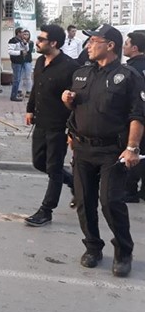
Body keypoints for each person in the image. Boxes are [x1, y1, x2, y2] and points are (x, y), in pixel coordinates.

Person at [62, 24, 144, 277]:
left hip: (113, 151)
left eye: (93, 41)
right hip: (82, 148)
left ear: (110, 45)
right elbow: (80, 109)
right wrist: (68, 104)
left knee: (110, 202)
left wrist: (132, 148)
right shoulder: (81, 74)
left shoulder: (128, 76)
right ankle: (92, 247)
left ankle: (123, 251)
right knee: (84, 202)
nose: (88, 46)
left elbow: (137, 115)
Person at [24, 25, 79, 227]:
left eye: (41, 39)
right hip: (40, 122)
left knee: (54, 168)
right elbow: (36, 88)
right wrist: (30, 109)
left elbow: (75, 101)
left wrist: (72, 130)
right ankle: (73, 182)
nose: (36, 42)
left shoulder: (70, 67)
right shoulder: (40, 61)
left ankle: (46, 211)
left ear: (53, 43)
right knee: (39, 163)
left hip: (59, 126)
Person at [123, 32, 145, 203]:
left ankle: (130, 190)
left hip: (136, 116)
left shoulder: (131, 70)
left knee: (134, 151)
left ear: (135, 48)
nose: (124, 47)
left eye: (127, 44)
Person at [7, 27, 26, 101]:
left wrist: (25, 43)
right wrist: (20, 52)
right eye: (22, 33)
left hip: (21, 61)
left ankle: (15, 94)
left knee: (18, 79)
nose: (24, 34)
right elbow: (10, 51)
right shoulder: (13, 40)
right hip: (16, 62)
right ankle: (13, 96)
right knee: (16, 80)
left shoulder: (21, 41)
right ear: (18, 33)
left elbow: (26, 49)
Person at [20, 29, 34, 97]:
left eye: (27, 34)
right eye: (24, 34)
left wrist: (26, 44)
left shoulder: (31, 42)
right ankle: (19, 91)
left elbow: (29, 51)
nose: (26, 36)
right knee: (20, 77)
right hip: (20, 61)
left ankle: (29, 91)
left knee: (28, 77)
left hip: (28, 61)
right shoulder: (19, 42)